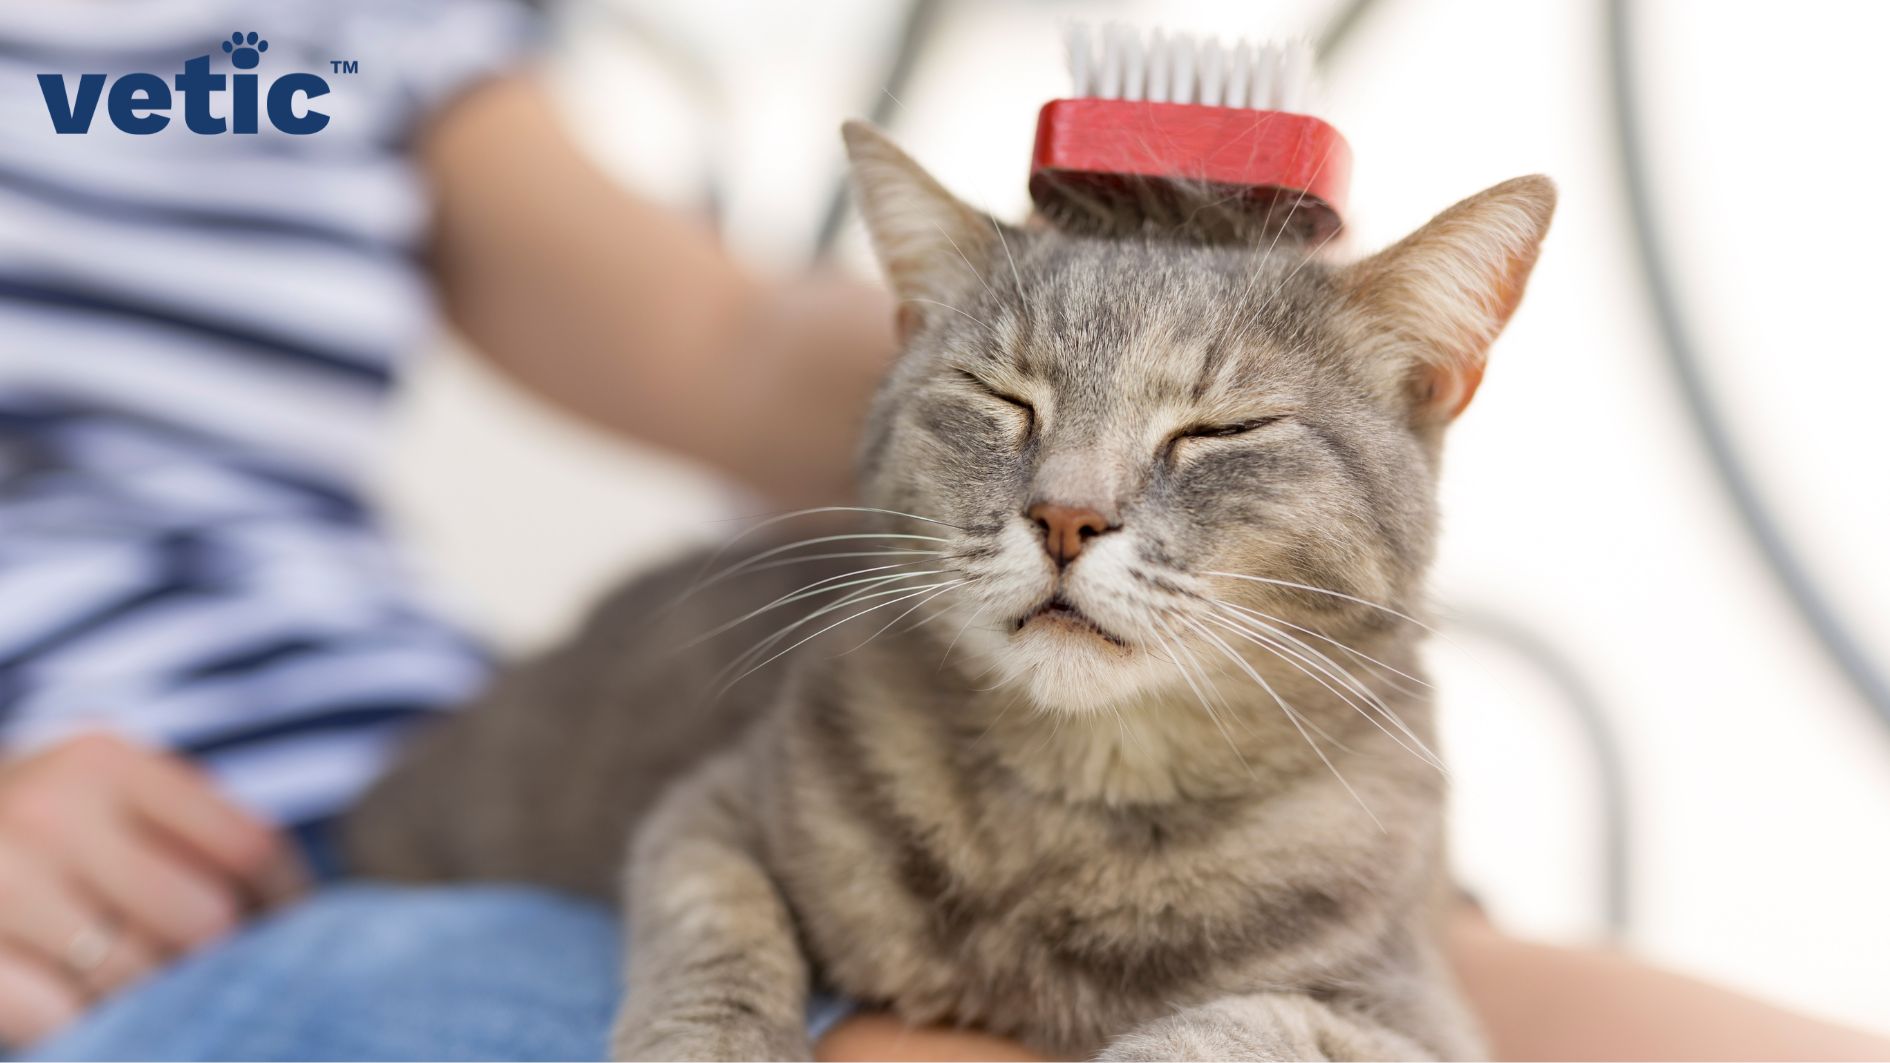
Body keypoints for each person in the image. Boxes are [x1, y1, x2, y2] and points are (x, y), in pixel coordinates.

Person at [3, 3, 1886, 1060]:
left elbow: (736, 346)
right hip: (172, 916)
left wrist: (1099, 301)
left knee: (1510, 1008)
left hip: (392, 739)